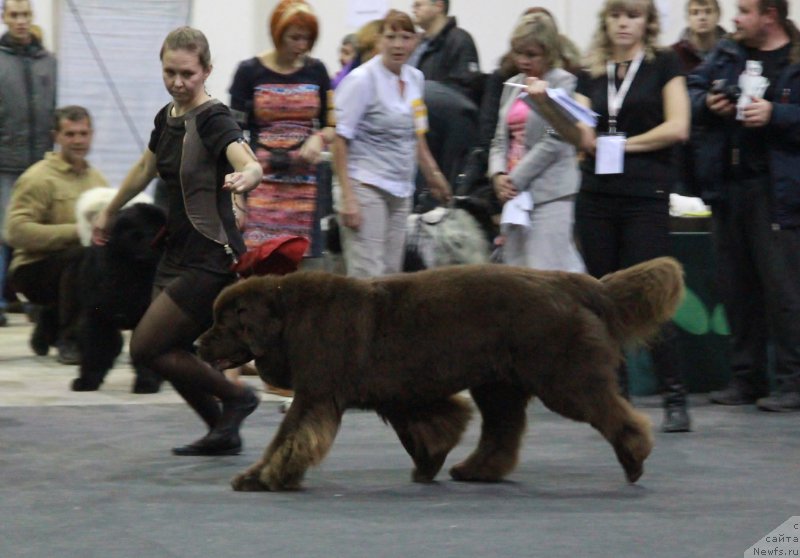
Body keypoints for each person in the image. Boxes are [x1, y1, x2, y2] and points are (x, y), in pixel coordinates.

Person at [94, 27, 264, 455]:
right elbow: (144, 168)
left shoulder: (214, 119)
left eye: (187, 73)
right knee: (162, 351)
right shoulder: (167, 117)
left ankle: (239, 398)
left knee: (145, 346)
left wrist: (250, 176)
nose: (178, 82)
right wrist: (110, 209)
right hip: (175, 252)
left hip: (211, 257)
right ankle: (221, 430)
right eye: (169, 72)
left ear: (206, 70)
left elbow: (246, 159)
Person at [525, 0, 692, 432]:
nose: (624, 23)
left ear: (647, 23)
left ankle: (675, 393)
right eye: (617, 15)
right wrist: (545, 107)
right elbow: (578, 132)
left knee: (649, 292)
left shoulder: (664, 64)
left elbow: (678, 127)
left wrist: (621, 145)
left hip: (645, 193)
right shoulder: (592, 70)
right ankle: (615, 397)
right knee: (601, 297)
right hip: (597, 195)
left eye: (633, 15)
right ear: (606, 21)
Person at [687, 0, 800, 412]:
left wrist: (777, 114)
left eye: (744, 10)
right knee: (736, 287)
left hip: (778, 190)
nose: (734, 18)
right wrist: (707, 104)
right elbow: (692, 87)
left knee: (784, 289)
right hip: (728, 186)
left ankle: (794, 382)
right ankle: (745, 378)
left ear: (769, 15)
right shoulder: (728, 52)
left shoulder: (795, 59)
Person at [334, 9, 451, 278]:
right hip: (365, 184)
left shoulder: (415, 78)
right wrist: (347, 197)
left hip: (401, 188)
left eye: (406, 37)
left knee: (392, 276)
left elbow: (416, 133)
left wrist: (434, 175)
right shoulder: (361, 80)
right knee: (368, 274)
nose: (398, 44)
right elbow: (339, 140)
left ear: (416, 41)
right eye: (391, 37)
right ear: (380, 40)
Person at [229, 0, 334, 266]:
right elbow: (233, 136)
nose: (301, 45)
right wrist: (237, 196)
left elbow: (332, 124)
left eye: (307, 39)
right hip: (260, 178)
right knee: (257, 259)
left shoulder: (317, 71)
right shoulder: (249, 72)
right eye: (294, 37)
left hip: (305, 183)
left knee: (300, 262)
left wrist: (318, 137)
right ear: (278, 34)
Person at [5, 106, 107, 364]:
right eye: (70, 134)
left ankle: (50, 320)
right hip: (31, 270)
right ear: (56, 137)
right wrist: (77, 232)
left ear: (92, 135)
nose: (78, 141)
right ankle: (69, 339)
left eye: (83, 133)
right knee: (81, 259)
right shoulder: (37, 178)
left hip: (72, 267)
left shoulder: (97, 180)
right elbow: (14, 232)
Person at [488, 13, 584, 272]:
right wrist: (497, 174)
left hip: (550, 194)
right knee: (519, 278)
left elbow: (556, 140)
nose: (523, 60)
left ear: (548, 52)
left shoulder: (563, 82)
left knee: (548, 275)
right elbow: (499, 137)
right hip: (515, 197)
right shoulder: (514, 83)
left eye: (531, 54)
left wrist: (514, 179)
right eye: (518, 53)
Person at [0, 0, 57, 327]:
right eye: (14, 15)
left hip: (40, 161)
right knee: (5, 232)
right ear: (5, 18)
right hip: (5, 159)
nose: (21, 21)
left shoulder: (48, 62)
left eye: (25, 15)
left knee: (39, 232)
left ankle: (37, 301)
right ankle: (2, 299)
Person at [409, 0, 482, 103]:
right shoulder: (417, 44)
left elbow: (465, 91)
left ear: (439, 5)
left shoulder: (460, 41)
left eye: (418, 5)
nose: (413, 9)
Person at [672, 0, 727, 72]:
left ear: (718, 15)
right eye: (695, 13)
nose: (702, 17)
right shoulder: (675, 54)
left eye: (708, 11)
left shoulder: (732, 51)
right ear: (688, 17)